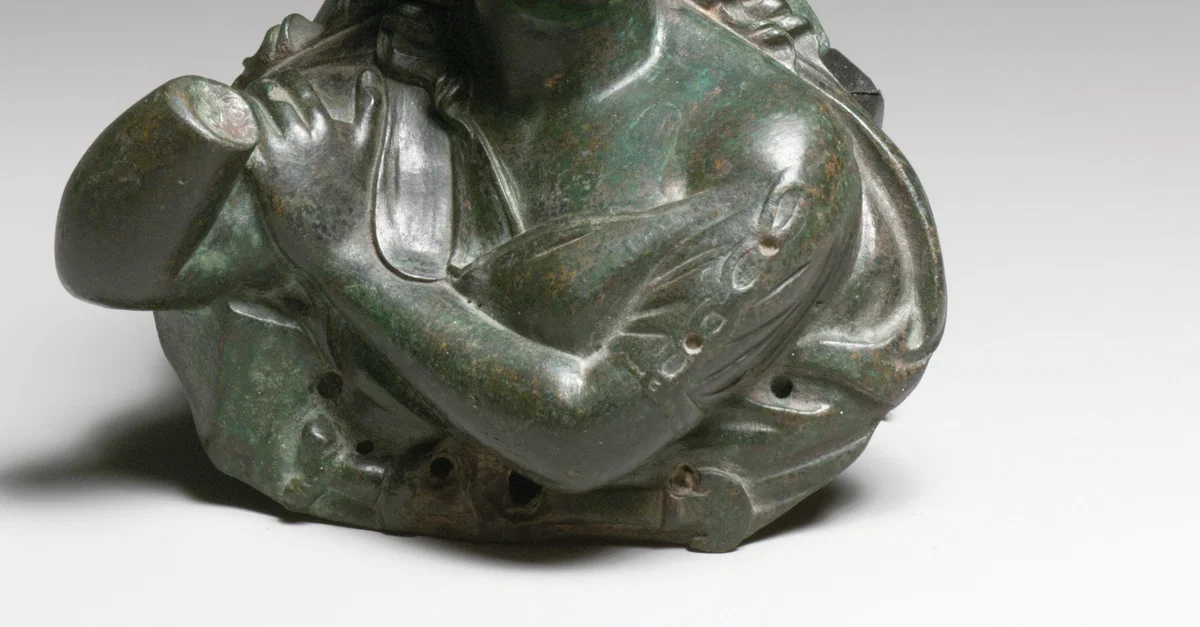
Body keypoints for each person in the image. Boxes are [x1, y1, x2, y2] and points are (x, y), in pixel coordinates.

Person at [57, 0, 945, 552]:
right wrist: (203, 123)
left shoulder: (769, 150)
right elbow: (115, 266)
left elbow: (587, 432)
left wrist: (345, 259)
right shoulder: (377, 97)